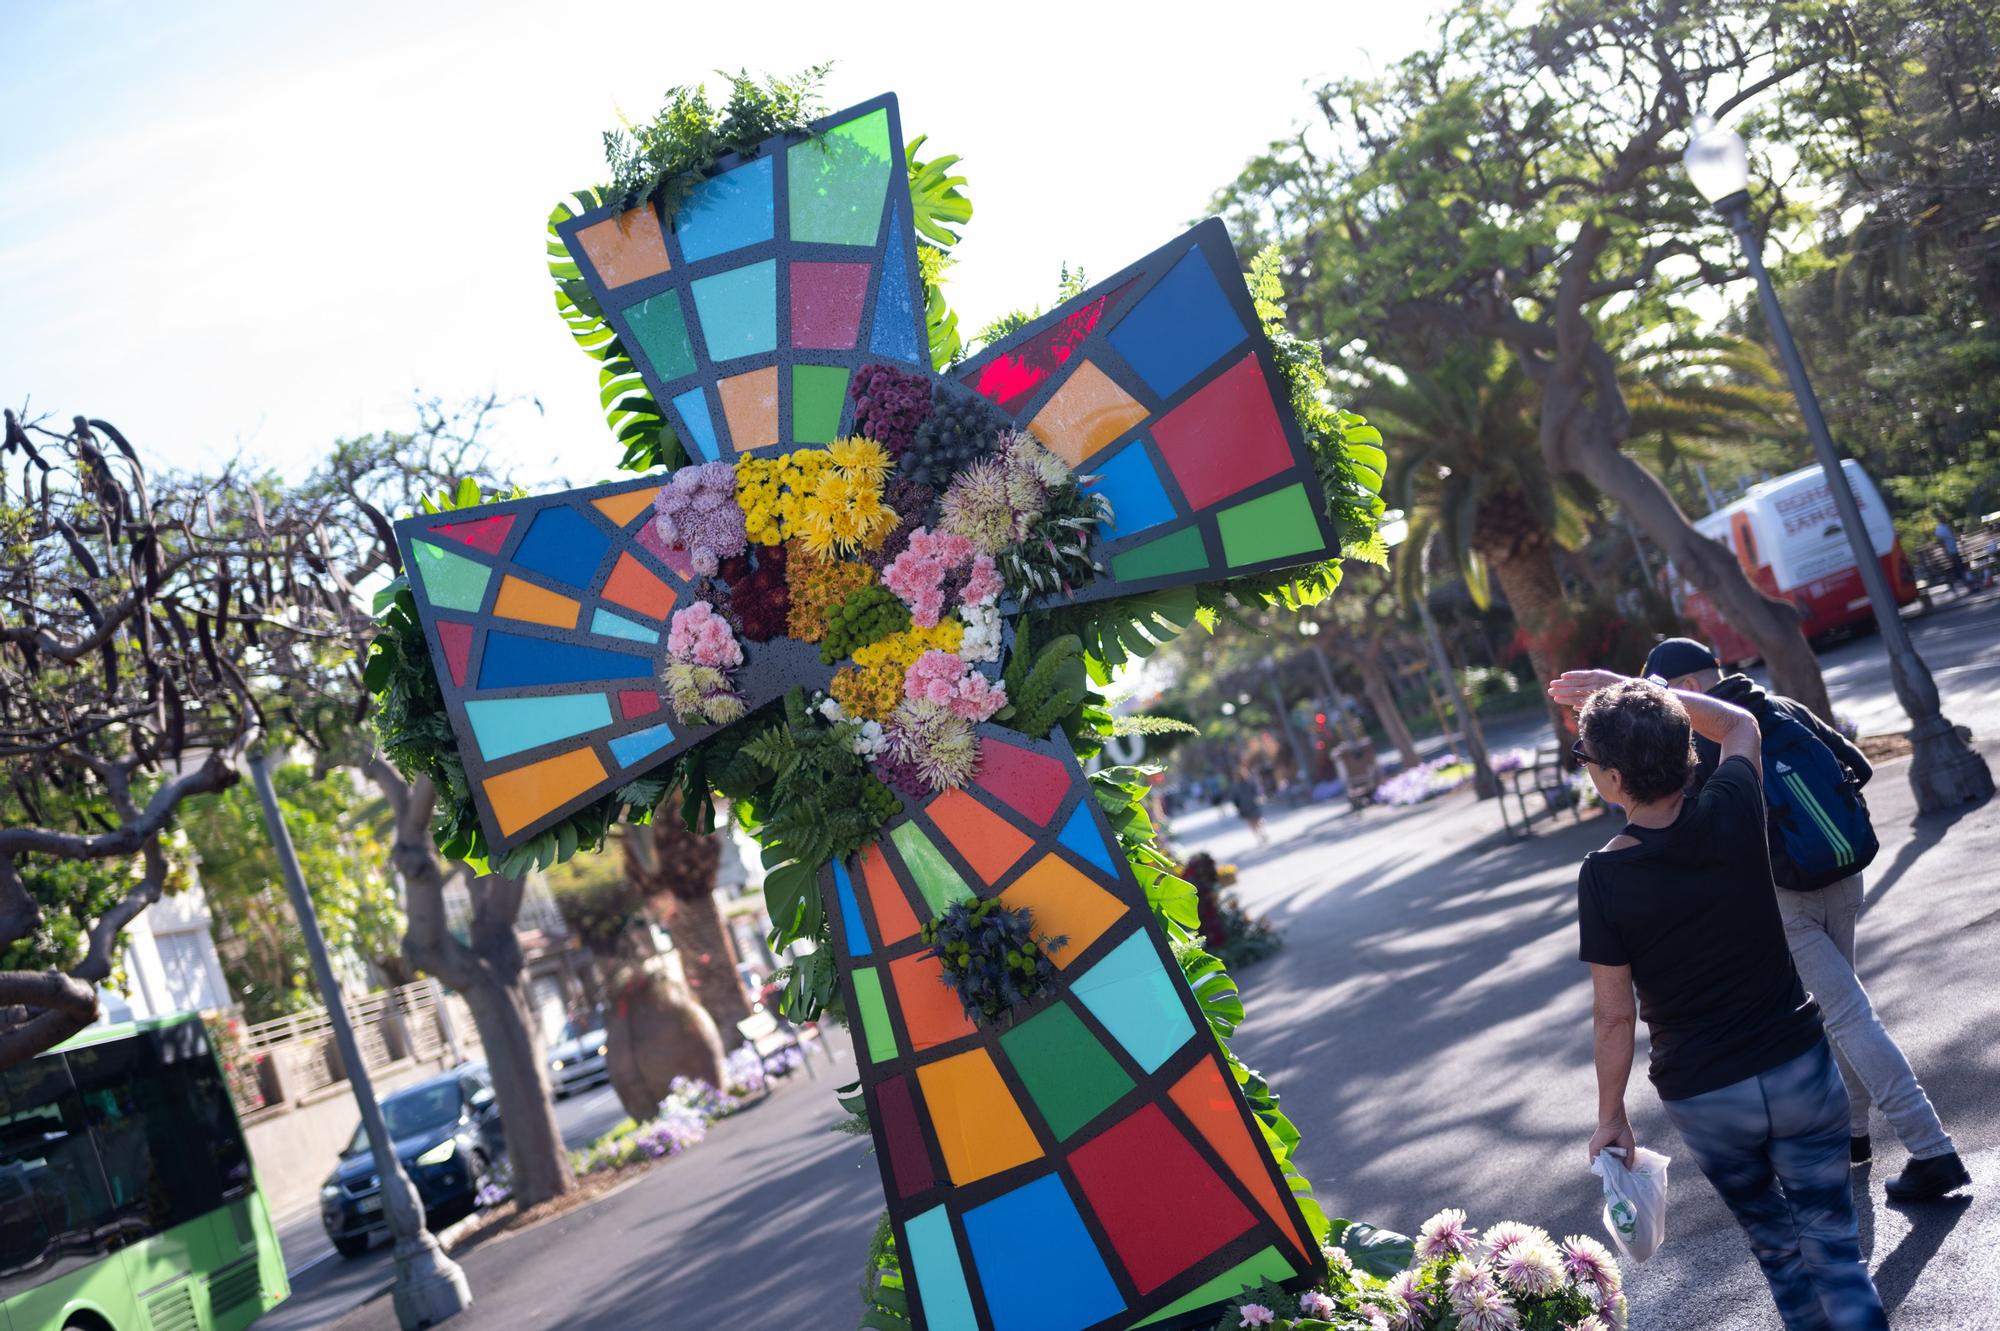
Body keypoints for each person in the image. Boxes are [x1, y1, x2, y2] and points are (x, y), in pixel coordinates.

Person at [1551, 669, 1887, 1331]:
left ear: (1612, 777)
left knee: (1780, 1253)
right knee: (1833, 1246)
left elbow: (1614, 1013)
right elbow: (1739, 723)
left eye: (1586, 757)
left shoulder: (1603, 876)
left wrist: (1611, 1112)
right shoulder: (1735, 801)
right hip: (1796, 1063)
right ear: (1686, 753)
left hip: (1706, 1093)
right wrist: (1639, 691)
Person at [1642, 638, 1969, 1202]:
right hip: (1844, 876)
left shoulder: (1703, 741)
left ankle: (1931, 1148)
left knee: (1848, 1015)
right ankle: (1854, 1136)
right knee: (1840, 1014)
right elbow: (1858, 767)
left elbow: (1698, 834)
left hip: (1784, 898)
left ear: (1687, 690)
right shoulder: (1782, 706)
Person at [1230, 769, 1268, 846]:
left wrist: (1237, 807)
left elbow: (1234, 798)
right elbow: (1257, 791)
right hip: (1252, 804)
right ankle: (1261, 834)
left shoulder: (1236, 785)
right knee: (1257, 821)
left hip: (1245, 807)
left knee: (1253, 823)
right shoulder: (1249, 782)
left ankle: (1259, 836)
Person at [1933, 512, 1967, 587]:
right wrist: (1946, 552)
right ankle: (1964, 582)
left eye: (1944, 517)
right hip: (1949, 550)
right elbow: (1941, 542)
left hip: (1954, 548)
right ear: (1939, 519)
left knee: (1959, 564)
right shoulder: (1939, 529)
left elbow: (1953, 535)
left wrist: (1960, 539)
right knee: (1957, 566)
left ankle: (1964, 581)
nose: (1944, 518)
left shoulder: (1947, 526)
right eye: (1942, 517)